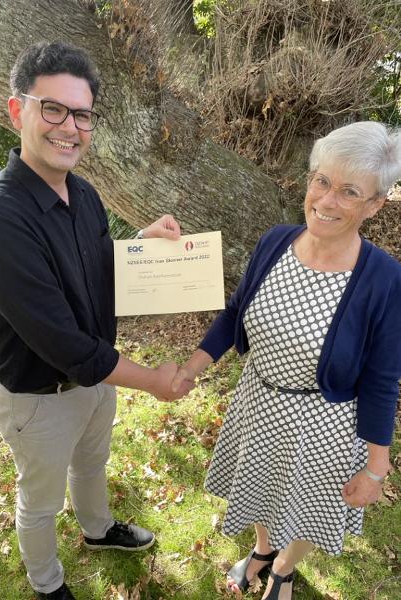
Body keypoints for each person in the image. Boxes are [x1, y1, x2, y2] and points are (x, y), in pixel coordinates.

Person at [0, 41, 192, 600]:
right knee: (38, 501)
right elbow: (63, 343)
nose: (70, 127)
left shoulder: (82, 193)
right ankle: (47, 584)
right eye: (53, 109)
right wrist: (155, 381)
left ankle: (97, 529)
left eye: (81, 114)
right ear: (18, 111)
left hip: (96, 381)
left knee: (92, 464)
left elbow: (97, 266)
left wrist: (141, 249)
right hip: (37, 398)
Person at [172, 121, 401, 599]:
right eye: (322, 181)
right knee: (257, 487)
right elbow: (236, 311)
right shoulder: (275, 240)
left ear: (375, 204)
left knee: (307, 506)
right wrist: (193, 367)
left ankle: (284, 569)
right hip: (259, 401)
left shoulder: (382, 277)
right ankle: (261, 549)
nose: (327, 200)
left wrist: (376, 468)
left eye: (349, 191)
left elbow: (382, 378)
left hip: (324, 422)